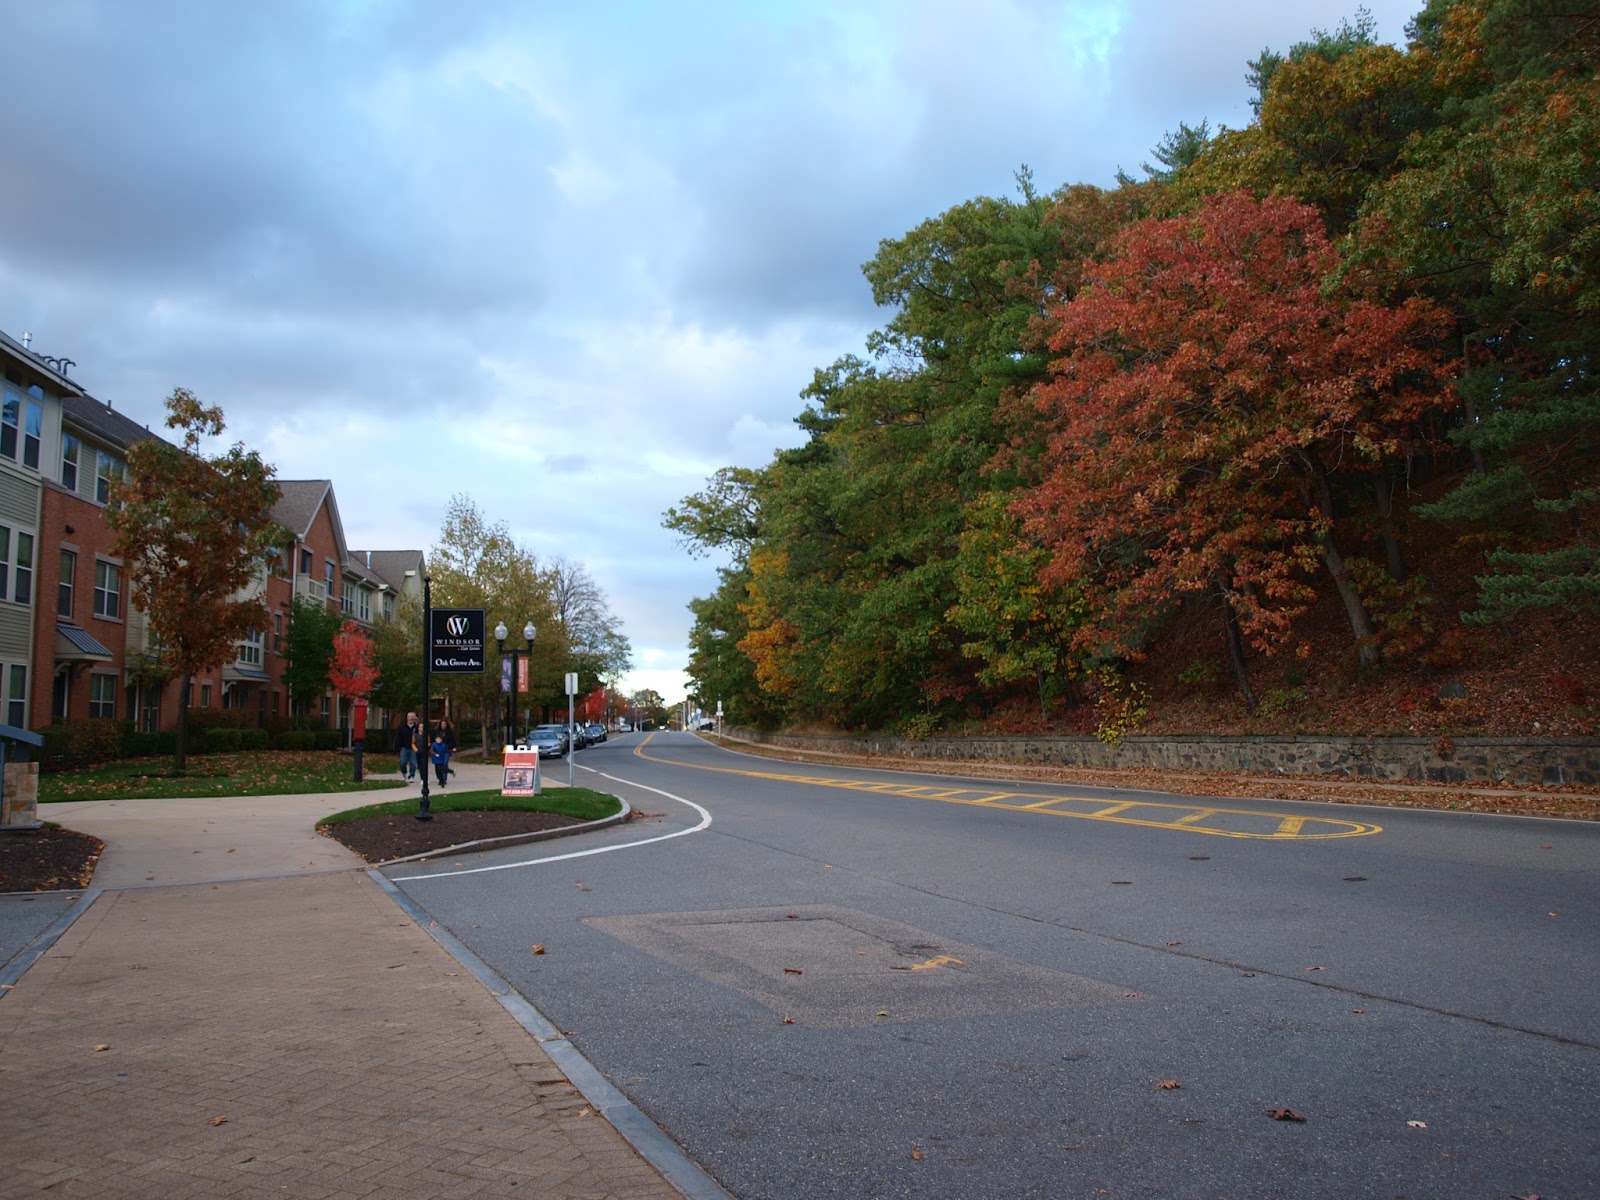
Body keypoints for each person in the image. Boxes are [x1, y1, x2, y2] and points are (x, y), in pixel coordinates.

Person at [398, 711, 422, 782]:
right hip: (404, 747)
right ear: (407, 718)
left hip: (413, 748)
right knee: (403, 762)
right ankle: (404, 773)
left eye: (412, 717)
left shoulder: (417, 728)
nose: (411, 719)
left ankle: (411, 776)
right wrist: (398, 746)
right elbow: (398, 737)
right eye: (409, 717)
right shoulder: (402, 727)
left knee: (413, 763)